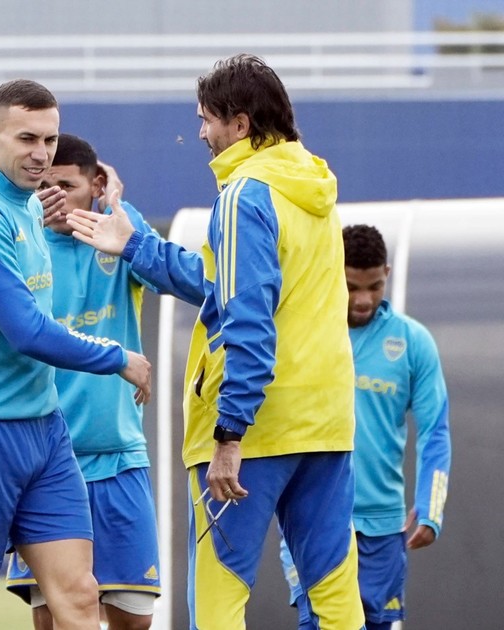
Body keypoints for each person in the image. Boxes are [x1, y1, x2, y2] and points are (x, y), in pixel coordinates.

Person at [67, 54, 362, 629]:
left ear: (241, 124)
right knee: (333, 593)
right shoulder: (313, 186)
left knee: (219, 595)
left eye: (206, 119)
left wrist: (230, 433)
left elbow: (247, 319)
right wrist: (135, 245)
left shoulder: (243, 195)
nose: (201, 133)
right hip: (326, 419)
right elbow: (219, 283)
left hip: (255, 426)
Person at [0, 79, 151, 630]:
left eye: (49, 139)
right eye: (27, 138)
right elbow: (26, 331)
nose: (41, 154)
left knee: (80, 595)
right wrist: (117, 357)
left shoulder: (29, 205)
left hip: (46, 431)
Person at [3, 133, 161, 630]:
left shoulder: (118, 241)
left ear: (96, 186)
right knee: (55, 617)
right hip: (45, 463)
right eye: (42, 187)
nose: (52, 197)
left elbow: (164, 272)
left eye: (66, 186)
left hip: (119, 458)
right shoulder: (20, 251)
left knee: (134, 618)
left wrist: (119, 207)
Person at [280, 224, 451, 630]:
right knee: (320, 622)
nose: (362, 300)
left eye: (374, 287)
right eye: (351, 287)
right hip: (313, 517)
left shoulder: (413, 342)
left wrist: (432, 508)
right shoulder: (301, 331)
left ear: (387, 274)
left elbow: (435, 431)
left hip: (384, 526)